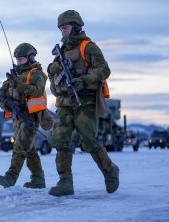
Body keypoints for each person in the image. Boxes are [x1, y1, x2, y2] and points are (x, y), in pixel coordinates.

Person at [47, 10, 119, 196]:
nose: (63, 31)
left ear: (76, 26)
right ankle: (65, 182)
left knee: (87, 140)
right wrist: (53, 70)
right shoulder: (61, 52)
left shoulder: (88, 47)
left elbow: (104, 69)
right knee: (60, 140)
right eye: (61, 28)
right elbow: (53, 75)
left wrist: (85, 80)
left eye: (65, 27)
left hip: (84, 101)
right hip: (64, 102)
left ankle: (110, 170)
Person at [0, 43, 53, 189]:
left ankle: (11, 177)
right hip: (17, 117)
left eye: (21, 59)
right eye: (17, 59)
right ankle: (38, 179)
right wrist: (5, 104)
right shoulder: (14, 75)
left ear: (30, 57)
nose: (18, 61)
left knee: (20, 147)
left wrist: (18, 83)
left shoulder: (37, 73)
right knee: (30, 149)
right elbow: (1, 94)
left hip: (30, 117)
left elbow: (37, 91)